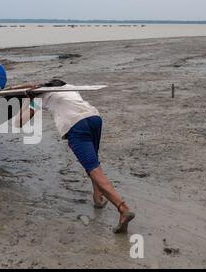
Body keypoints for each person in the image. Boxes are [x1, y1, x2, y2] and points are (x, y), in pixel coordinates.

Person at [14, 80, 135, 233]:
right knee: (93, 161)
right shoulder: (70, 88)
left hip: (75, 125)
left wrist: (26, 99)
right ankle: (98, 199)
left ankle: (123, 208)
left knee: (92, 168)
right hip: (94, 117)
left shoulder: (40, 97)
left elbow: (19, 123)